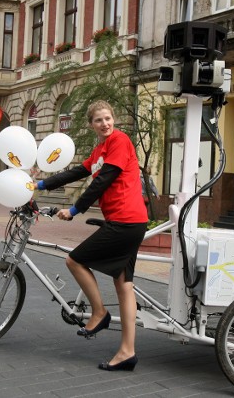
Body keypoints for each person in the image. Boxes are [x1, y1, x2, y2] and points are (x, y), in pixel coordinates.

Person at [32, 100, 148, 371]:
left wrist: (75, 209)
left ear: (114, 119)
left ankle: (99, 312)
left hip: (125, 221)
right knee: (124, 286)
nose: (105, 123)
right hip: (129, 221)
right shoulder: (99, 149)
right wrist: (39, 183)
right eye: (99, 120)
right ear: (91, 124)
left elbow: (103, 179)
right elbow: (78, 172)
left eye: (108, 118)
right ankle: (127, 352)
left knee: (74, 261)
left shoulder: (119, 141)